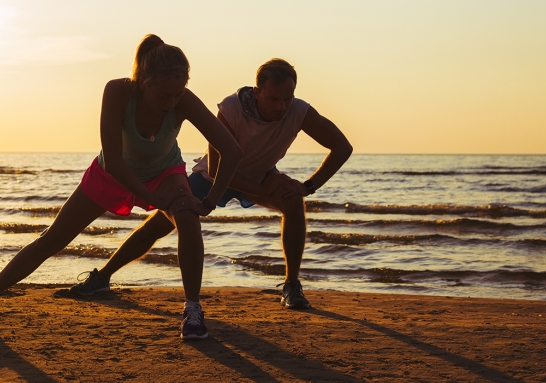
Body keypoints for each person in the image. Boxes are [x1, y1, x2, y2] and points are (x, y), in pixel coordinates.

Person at [0, 34, 243, 340]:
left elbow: (231, 151)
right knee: (53, 238)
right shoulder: (117, 91)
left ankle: (193, 310)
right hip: (111, 173)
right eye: (163, 96)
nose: (170, 104)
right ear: (144, 82)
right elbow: (114, 162)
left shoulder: (182, 99)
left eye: (176, 95)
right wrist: (154, 199)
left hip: (164, 172)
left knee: (188, 218)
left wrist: (208, 202)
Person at [70, 58, 353, 309]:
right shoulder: (231, 108)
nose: (281, 107)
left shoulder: (299, 112)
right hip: (213, 176)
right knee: (159, 225)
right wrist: (262, 190)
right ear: (257, 93)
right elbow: (219, 169)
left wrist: (307, 186)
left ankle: (291, 285)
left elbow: (342, 147)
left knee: (293, 201)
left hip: (261, 175)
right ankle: (103, 277)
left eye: (287, 99)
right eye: (273, 99)